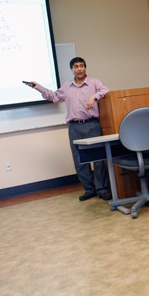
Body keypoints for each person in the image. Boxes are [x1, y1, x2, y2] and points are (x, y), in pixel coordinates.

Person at [26, 57, 112, 202]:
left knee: (98, 159)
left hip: (92, 125)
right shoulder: (67, 87)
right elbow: (54, 97)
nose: (79, 69)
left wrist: (94, 97)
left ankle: (102, 189)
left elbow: (106, 90)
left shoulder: (94, 83)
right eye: (76, 66)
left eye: (81, 66)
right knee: (80, 160)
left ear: (85, 68)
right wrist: (38, 87)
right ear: (72, 69)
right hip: (74, 127)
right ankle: (89, 189)